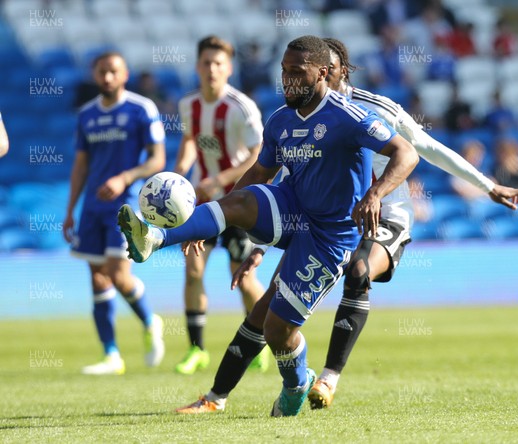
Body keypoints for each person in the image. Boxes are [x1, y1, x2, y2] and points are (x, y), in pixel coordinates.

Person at [118, 35, 420, 416]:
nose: (287, 80)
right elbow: (260, 173)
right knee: (242, 198)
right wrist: (203, 224)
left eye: (297, 72)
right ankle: (156, 235)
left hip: (329, 236)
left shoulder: (348, 116)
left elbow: (406, 153)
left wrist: (375, 194)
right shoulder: (280, 120)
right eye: (284, 71)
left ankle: (297, 382)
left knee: (276, 329)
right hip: (292, 208)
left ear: (323, 73)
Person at [233, 37, 518, 410]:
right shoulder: (299, 114)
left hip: (386, 213)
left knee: (359, 271)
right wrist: (261, 247)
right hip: (324, 219)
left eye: (327, 65)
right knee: (267, 308)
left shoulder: (375, 108)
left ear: (337, 68)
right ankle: (222, 394)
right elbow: (285, 181)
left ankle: (328, 378)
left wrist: (487, 186)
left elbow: (427, 148)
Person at [62, 52, 166, 375]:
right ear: (94, 75)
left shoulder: (141, 109)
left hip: (127, 206)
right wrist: (70, 210)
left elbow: (157, 160)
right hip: (92, 208)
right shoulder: (86, 115)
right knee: (96, 277)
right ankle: (112, 355)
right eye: (102, 72)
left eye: (113, 71)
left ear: (125, 74)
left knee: (119, 275)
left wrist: (125, 177)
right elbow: (81, 165)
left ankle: (151, 321)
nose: (107, 77)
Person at [173, 36, 268, 375]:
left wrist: (221, 178)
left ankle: (259, 340)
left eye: (218, 63)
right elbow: (189, 142)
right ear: (198, 66)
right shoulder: (189, 106)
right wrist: (179, 173)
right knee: (193, 271)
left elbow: (260, 156)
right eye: (206, 63)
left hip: (239, 203)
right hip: (201, 202)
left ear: (228, 68)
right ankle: (196, 349)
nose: (212, 69)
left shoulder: (241, 107)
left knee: (242, 278)